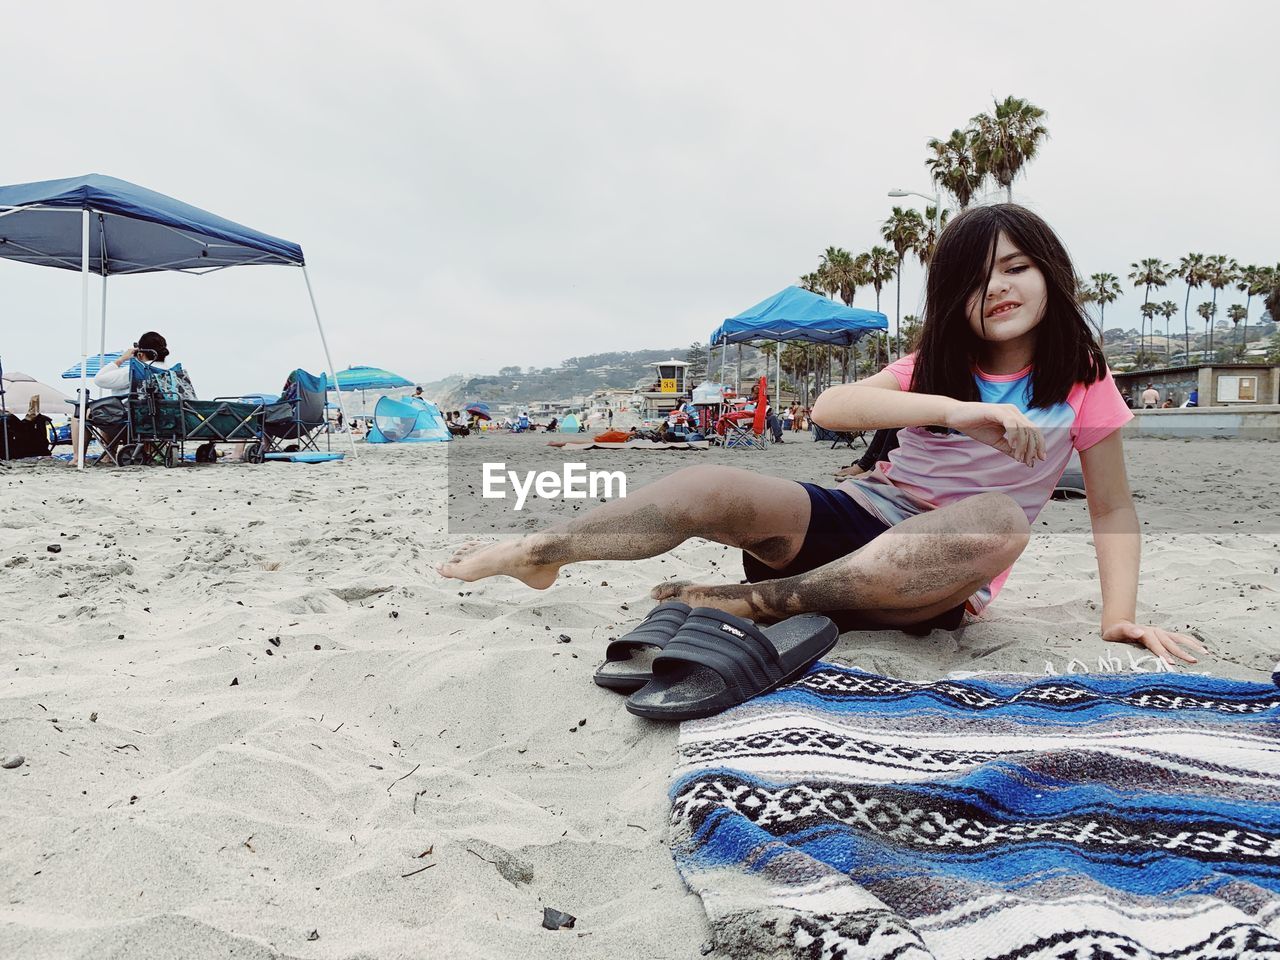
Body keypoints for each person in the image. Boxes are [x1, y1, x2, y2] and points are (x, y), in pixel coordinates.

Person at [438, 204, 1203, 664]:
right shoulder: (932, 366)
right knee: (710, 485)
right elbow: (832, 408)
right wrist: (955, 409)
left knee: (1001, 519)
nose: (997, 287)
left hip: (925, 580)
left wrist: (1117, 617)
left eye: (1016, 267)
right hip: (857, 524)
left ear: (1050, 274)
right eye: (974, 278)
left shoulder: (1082, 378)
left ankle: (750, 602)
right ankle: (538, 553)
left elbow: (1110, 509)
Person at [68, 331, 170, 460]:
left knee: (81, 414)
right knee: (109, 409)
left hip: (133, 422)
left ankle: (78, 457)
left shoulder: (136, 370)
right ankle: (108, 457)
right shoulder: (168, 371)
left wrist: (122, 359)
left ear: (140, 352)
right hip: (160, 421)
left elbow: (99, 379)